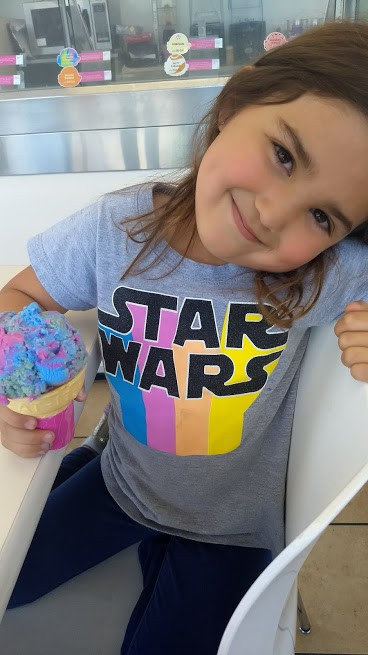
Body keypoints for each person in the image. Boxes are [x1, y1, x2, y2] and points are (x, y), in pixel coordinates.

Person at [2, 20, 368, 655]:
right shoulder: (113, 229)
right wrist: (19, 387)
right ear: (234, 103)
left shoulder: (326, 273)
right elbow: (21, 297)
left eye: (321, 215)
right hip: (116, 481)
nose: (273, 213)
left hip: (230, 529)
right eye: (284, 155)